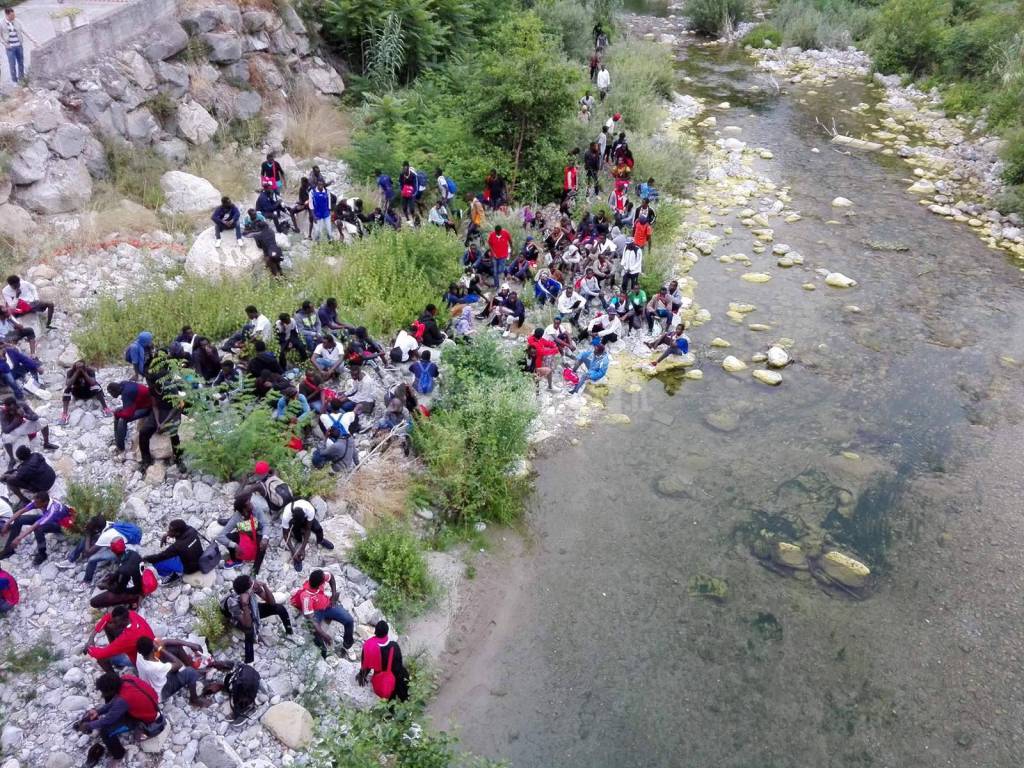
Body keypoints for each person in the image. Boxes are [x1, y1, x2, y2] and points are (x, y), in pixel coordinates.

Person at [76, 671, 163, 762]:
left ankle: (118, 755)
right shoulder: (126, 678)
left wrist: (89, 725)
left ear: (112, 689)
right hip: (151, 703)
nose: (102, 694)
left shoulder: (124, 699)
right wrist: (98, 712)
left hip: (144, 718)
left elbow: (108, 719)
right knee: (113, 706)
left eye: (103, 691)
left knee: (105, 732)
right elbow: (116, 700)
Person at [222, 574, 294, 664]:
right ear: (246, 591)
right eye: (251, 583)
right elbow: (247, 624)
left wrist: (264, 586)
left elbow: (272, 603)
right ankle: (249, 661)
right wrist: (244, 605)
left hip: (251, 607)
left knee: (279, 608)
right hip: (236, 616)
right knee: (249, 630)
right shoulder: (232, 602)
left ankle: (289, 632)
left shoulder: (252, 588)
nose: (253, 583)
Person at [290, 569, 356, 660]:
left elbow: (331, 578)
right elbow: (312, 620)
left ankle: (347, 645)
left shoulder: (319, 576)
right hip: (315, 613)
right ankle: (324, 654)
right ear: (318, 584)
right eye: (323, 581)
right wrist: (324, 635)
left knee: (349, 620)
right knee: (315, 632)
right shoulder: (306, 597)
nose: (325, 579)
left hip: (327, 605)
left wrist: (333, 597)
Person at [0, 490, 70, 563]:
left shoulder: (53, 510)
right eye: (35, 502)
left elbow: (36, 525)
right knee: (19, 520)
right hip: (47, 518)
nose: (35, 505)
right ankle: (8, 550)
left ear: (45, 502)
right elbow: (21, 511)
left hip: (60, 525)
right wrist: (6, 524)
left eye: (37, 503)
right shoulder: (38, 501)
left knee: (38, 528)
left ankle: (42, 554)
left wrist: (19, 538)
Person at [135, 636, 207, 707]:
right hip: (162, 691)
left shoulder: (139, 656)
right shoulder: (155, 667)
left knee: (174, 648)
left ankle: (192, 669)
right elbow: (179, 664)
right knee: (190, 672)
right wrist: (160, 649)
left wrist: (188, 644)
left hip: (154, 681)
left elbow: (164, 642)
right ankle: (194, 700)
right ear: (153, 648)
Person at [84, 605, 154, 671]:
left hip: (141, 662)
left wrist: (89, 648)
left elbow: (100, 653)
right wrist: (92, 637)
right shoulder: (130, 614)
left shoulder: (127, 638)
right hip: (150, 650)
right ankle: (116, 651)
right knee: (108, 626)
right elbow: (107, 617)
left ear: (124, 620)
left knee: (102, 658)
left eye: (115, 622)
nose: (113, 624)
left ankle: (115, 680)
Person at [89, 536, 151, 609]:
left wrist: (106, 587)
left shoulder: (124, 570)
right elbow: (124, 569)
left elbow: (118, 590)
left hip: (134, 590)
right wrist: (113, 576)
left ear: (113, 551)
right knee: (112, 577)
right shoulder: (133, 553)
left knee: (93, 602)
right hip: (138, 580)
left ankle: (133, 599)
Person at [357, 620, 410, 703]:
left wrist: (362, 675)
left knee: (389, 701)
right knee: (403, 679)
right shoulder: (394, 646)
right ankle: (405, 701)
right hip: (396, 677)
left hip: (381, 679)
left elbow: (366, 665)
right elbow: (399, 665)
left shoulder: (369, 646)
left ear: (375, 632)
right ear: (387, 632)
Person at [217, 494, 269, 573]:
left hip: (258, 533)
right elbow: (220, 536)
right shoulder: (236, 517)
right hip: (244, 535)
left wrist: (265, 537)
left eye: (250, 502)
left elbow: (265, 524)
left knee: (262, 545)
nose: (252, 505)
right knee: (228, 537)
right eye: (249, 504)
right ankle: (236, 560)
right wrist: (234, 545)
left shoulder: (257, 509)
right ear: (244, 509)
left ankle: (255, 571)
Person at [281, 499, 334, 572]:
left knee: (318, 529)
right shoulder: (286, 515)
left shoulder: (309, 509)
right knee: (298, 538)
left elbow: (308, 529)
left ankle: (320, 540)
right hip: (295, 522)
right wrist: (293, 551)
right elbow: (285, 534)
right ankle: (296, 557)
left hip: (306, 519)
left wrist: (303, 548)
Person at [1, 397, 56, 466]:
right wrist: (17, 419)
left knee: (43, 421)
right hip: (14, 430)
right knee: (5, 437)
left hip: (24, 425)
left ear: (16, 404)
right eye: (10, 409)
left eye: (14, 407)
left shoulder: (22, 405)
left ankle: (46, 443)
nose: (12, 410)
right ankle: (12, 459)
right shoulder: (3, 411)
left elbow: (35, 417)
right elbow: (5, 430)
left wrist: (24, 415)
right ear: (7, 407)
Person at [107, 380, 152, 453]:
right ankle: (117, 439)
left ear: (115, 391)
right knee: (118, 411)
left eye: (111, 393)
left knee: (122, 419)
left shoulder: (126, 393)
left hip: (147, 407)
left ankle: (120, 447)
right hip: (138, 403)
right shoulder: (123, 384)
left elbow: (128, 415)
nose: (111, 395)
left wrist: (117, 414)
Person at [2, 7, 36, 84]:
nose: (14, 17)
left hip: (19, 46)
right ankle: (14, 81)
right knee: (12, 64)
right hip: (10, 48)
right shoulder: (1, 23)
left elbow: (26, 32)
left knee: (21, 62)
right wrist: (5, 44)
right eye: (12, 15)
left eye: (14, 15)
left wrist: (34, 41)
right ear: (7, 15)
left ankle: (22, 78)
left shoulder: (17, 21)